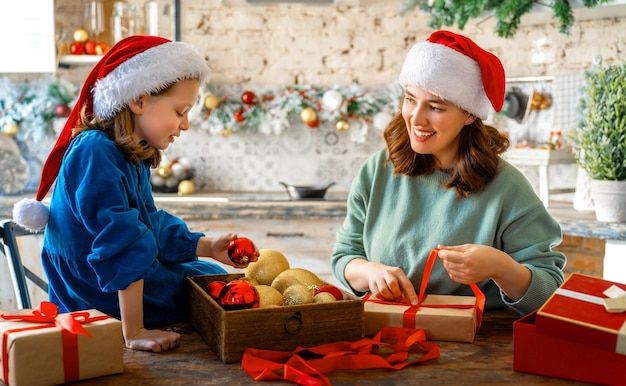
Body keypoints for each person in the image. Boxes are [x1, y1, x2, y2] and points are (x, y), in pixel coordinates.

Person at [13, 35, 257, 352]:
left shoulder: (131, 153)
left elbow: (148, 223)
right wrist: (136, 331)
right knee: (203, 291)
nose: (185, 124)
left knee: (208, 274)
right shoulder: (94, 152)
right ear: (138, 100)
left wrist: (206, 246)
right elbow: (123, 242)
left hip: (116, 273)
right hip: (93, 287)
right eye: (180, 111)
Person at [330, 30, 565, 316]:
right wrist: (371, 272)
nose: (416, 118)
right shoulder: (377, 171)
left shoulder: (507, 187)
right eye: (410, 99)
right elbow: (345, 256)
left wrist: (500, 267)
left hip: (478, 347)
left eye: (435, 106)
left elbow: (549, 293)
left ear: (469, 114)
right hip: (386, 334)